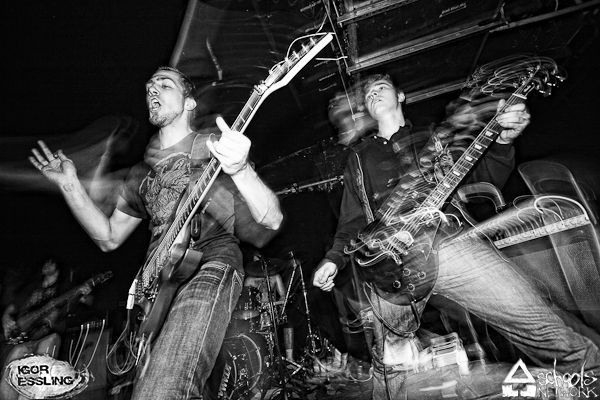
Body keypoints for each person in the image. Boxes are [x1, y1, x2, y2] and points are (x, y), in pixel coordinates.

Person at [312, 73, 600, 399]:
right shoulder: (358, 158)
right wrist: (333, 259)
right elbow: (352, 221)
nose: (373, 93)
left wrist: (503, 141)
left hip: (449, 245)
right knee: (392, 369)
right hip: (388, 267)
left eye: (382, 87)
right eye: (368, 94)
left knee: (539, 325)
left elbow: (483, 176)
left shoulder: (434, 138)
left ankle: (592, 378)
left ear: (401, 95)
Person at [29, 66, 283, 399]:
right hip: (155, 290)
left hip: (208, 265)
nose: (152, 90)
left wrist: (240, 169)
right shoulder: (140, 173)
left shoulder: (213, 147)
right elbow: (109, 237)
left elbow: (271, 219)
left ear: (189, 102)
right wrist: (69, 185)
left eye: (165, 85)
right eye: (150, 85)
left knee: (161, 389)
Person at [0, 259, 75, 400]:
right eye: (45, 263)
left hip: (46, 335)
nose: (46, 265)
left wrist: (82, 295)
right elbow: (12, 307)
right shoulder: (32, 287)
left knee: (40, 361)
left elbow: (78, 305)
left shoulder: (62, 290)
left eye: (51, 263)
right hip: (23, 336)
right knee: (14, 363)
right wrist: (5, 318)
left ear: (58, 268)